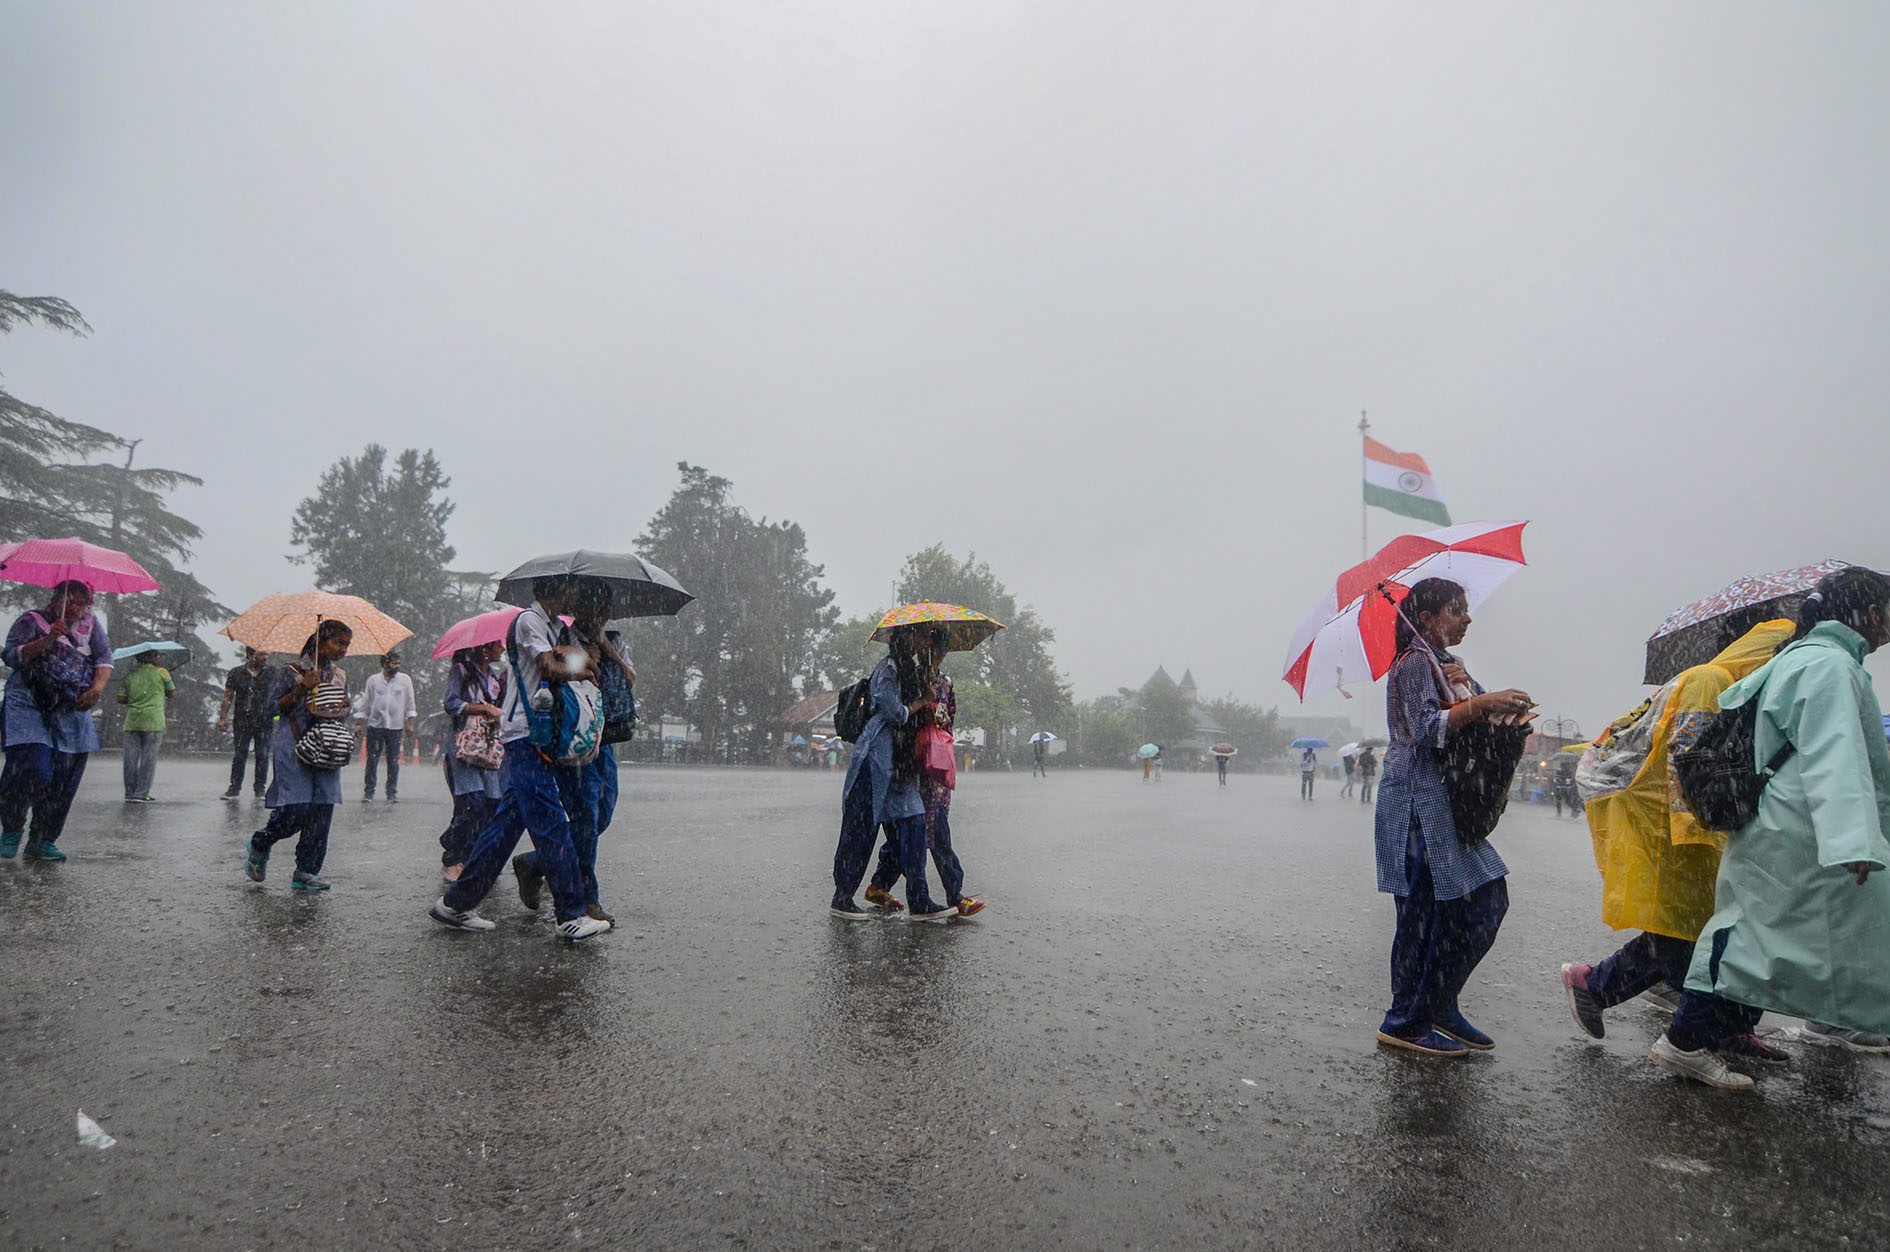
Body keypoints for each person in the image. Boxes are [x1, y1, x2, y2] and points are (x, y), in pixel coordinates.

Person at [1655, 568, 1890, 1089]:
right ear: (1869, 613)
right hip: (1802, 831)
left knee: (1751, 933)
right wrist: (1853, 839)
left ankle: (1698, 1036)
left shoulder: (1797, 658)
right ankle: (1686, 1039)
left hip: (1782, 824)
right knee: (1746, 937)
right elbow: (1836, 756)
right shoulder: (1829, 666)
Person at [1558, 618, 1796, 1069]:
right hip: (1665, 825)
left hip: (1676, 822)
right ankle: (1698, 1033)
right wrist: (1703, 836)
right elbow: (1686, 764)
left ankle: (1604, 988)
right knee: (1690, 931)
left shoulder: (1734, 690)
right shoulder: (1710, 681)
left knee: (1694, 928)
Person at [1373, 577, 1534, 1057]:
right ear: (1426, 618)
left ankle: (1439, 1003)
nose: (1466, 617)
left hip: (1447, 806)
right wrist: (1480, 704)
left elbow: (1472, 720)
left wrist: (1499, 711)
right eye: (1456, 609)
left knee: (1487, 896)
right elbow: (1425, 729)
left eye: (1466, 609)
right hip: (1412, 805)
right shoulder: (1412, 664)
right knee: (1420, 914)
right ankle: (1404, 1020)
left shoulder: (1449, 665)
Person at [428, 577, 610, 941]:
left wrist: (584, 656)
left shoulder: (558, 627)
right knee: (550, 821)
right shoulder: (529, 621)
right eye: (570, 591)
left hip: (546, 734)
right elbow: (551, 666)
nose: (575, 598)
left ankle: (456, 904)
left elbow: (591, 661)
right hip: (525, 735)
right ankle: (571, 913)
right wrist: (577, 664)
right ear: (552, 591)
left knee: (505, 827)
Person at [514, 578, 632, 926]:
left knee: (602, 814)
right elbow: (554, 672)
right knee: (585, 816)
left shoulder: (615, 642)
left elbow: (630, 678)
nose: (599, 615)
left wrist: (605, 652)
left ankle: (536, 863)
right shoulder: (562, 637)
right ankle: (587, 898)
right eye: (592, 607)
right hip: (575, 736)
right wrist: (583, 660)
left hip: (605, 736)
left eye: (604, 608)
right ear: (578, 608)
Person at [829, 623, 951, 922]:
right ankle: (842, 897)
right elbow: (894, 713)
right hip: (877, 761)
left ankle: (919, 900)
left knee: (914, 826)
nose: (925, 641)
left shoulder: (914, 671)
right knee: (860, 830)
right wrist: (921, 701)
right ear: (907, 636)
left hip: (903, 764)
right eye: (922, 635)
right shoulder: (888, 670)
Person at [865, 627, 985, 919]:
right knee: (924, 832)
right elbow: (903, 718)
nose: (931, 655)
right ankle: (956, 896)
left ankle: (880, 884)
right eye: (927, 649)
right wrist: (922, 704)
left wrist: (938, 715)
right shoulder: (911, 677)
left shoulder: (946, 683)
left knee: (921, 832)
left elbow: (949, 719)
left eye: (937, 650)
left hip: (939, 765)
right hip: (914, 765)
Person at [0, 580, 113, 862]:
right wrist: (48, 638)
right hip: (29, 701)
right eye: (68, 600)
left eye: (80, 602)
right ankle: (12, 828)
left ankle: (42, 839)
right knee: (33, 765)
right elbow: (13, 656)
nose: (74, 607)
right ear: (56, 598)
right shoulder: (31, 620)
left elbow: (104, 657)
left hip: (69, 705)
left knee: (64, 776)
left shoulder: (91, 625)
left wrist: (96, 689)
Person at [244, 620, 353, 892]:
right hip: (294, 746)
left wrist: (342, 706)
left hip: (327, 747)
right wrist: (302, 688)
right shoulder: (291, 671)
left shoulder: (340, 675)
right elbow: (272, 709)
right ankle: (262, 841)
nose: (343, 650)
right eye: (339, 643)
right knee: (296, 808)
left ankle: (306, 871)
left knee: (322, 809)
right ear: (321, 641)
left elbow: (341, 709)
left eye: (346, 645)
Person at [437, 642, 505, 882]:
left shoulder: (495, 677)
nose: (502, 649)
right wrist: (481, 708)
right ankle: (453, 857)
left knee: (492, 803)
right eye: (498, 645)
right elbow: (451, 703)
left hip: (487, 746)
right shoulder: (461, 670)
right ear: (484, 648)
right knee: (471, 802)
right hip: (464, 746)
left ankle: (471, 854)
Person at [219, 647, 279, 799]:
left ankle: (260, 788)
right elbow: (228, 696)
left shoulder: (272, 673)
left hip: (264, 720)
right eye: (261, 654)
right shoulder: (236, 673)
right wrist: (223, 717)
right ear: (249, 655)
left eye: (267, 654)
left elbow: (279, 693)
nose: (265, 657)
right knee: (240, 754)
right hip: (242, 720)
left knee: (263, 754)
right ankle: (234, 787)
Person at [357, 650, 416, 802]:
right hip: (375, 726)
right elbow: (365, 703)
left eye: (398, 663)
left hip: (395, 727)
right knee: (372, 760)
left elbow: (410, 703)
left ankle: (391, 793)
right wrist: (359, 723)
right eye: (393, 663)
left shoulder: (405, 680)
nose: (397, 666)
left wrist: (410, 722)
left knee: (393, 761)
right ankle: (369, 792)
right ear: (384, 664)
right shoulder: (373, 681)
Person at [116, 650, 175, 802]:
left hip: (132, 721)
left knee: (130, 759)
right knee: (149, 759)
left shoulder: (130, 675)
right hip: (153, 721)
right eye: (157, 655)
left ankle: (129, 793)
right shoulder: (162, 673)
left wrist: (135, 699)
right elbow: (171, 693)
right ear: (149, 657)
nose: (159, 658)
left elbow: (121, 698)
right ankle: (141, 794)